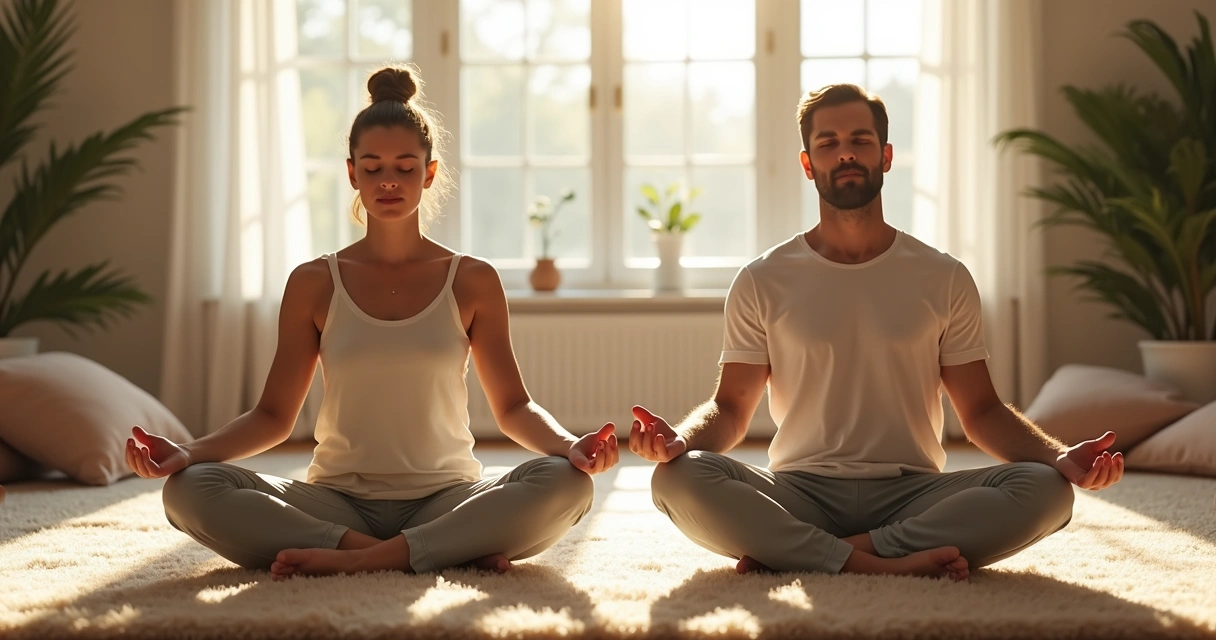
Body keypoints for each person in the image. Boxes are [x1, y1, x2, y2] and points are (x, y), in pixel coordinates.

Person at [127, 65, 619, 579]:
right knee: (189, 490)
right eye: (374, 166)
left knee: (567, 483)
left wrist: (569, 445)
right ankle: (434, 551)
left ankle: (364, 558)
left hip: (447, 496)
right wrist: (188, 453)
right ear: (352, 172)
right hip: (338, 501)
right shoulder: (314, 281)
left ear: (429, 173)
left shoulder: (472, 280)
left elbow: (514, 407)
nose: (389, 180)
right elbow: (273, 416)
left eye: (406, 167)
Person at [629, 83, 1123, 581]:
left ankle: (822, 553)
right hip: (801, 492)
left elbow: (981, 411)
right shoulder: (762, 279)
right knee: (678, 478)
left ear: (885, 156)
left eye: (860, 140)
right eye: (828, 143)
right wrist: (679, 439)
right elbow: (732, 410)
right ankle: (881, 562)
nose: (845, 151)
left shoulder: (943, 276)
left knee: (1047, 490)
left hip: (914, 495)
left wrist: (1060, 456)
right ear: (808, 164)